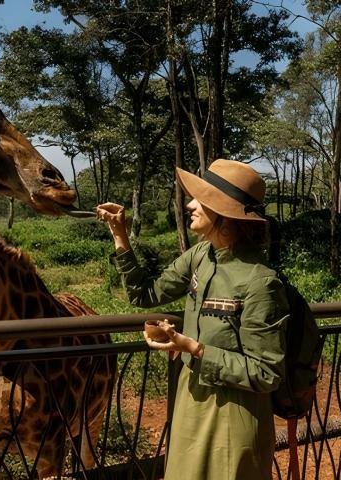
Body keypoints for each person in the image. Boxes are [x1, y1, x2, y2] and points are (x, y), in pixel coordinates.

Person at [96, 159, 289, 480]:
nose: (190, 204)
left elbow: (267, 373)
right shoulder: (201, 255)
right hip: (189, 404)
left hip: (233, 418)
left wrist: (195, 349)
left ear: (224, 215)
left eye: (202, 200)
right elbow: (145, 294)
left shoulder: (260, 281)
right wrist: (120, 235)